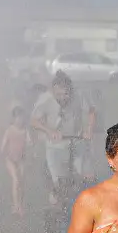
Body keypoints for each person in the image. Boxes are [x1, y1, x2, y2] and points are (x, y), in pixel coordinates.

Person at [30, 71, 94, 205]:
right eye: (58, 95)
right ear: (53, 90)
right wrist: (49, 131)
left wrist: (88, 130)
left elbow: (91, 111)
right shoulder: (45, 99)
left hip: (76, 141)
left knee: (80, 176)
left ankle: (78, 205)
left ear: (70, 90)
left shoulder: (79, 95)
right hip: (55, 146)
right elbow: (34, 121)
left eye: (66, 94)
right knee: (58, 181)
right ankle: (57, 208)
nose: (63, 98)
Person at [0, 105, 29, 215]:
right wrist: (4, 154)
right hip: (10, 159)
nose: (19, 120)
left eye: (21, 118)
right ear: (13, 118)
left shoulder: (25, 131)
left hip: (21, 159)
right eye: (17, 117)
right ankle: (16, 205)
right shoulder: (9, 130)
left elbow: (29, 143)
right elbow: (3, 145)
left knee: (21, 182)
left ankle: (20, 205)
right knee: (16, 180)